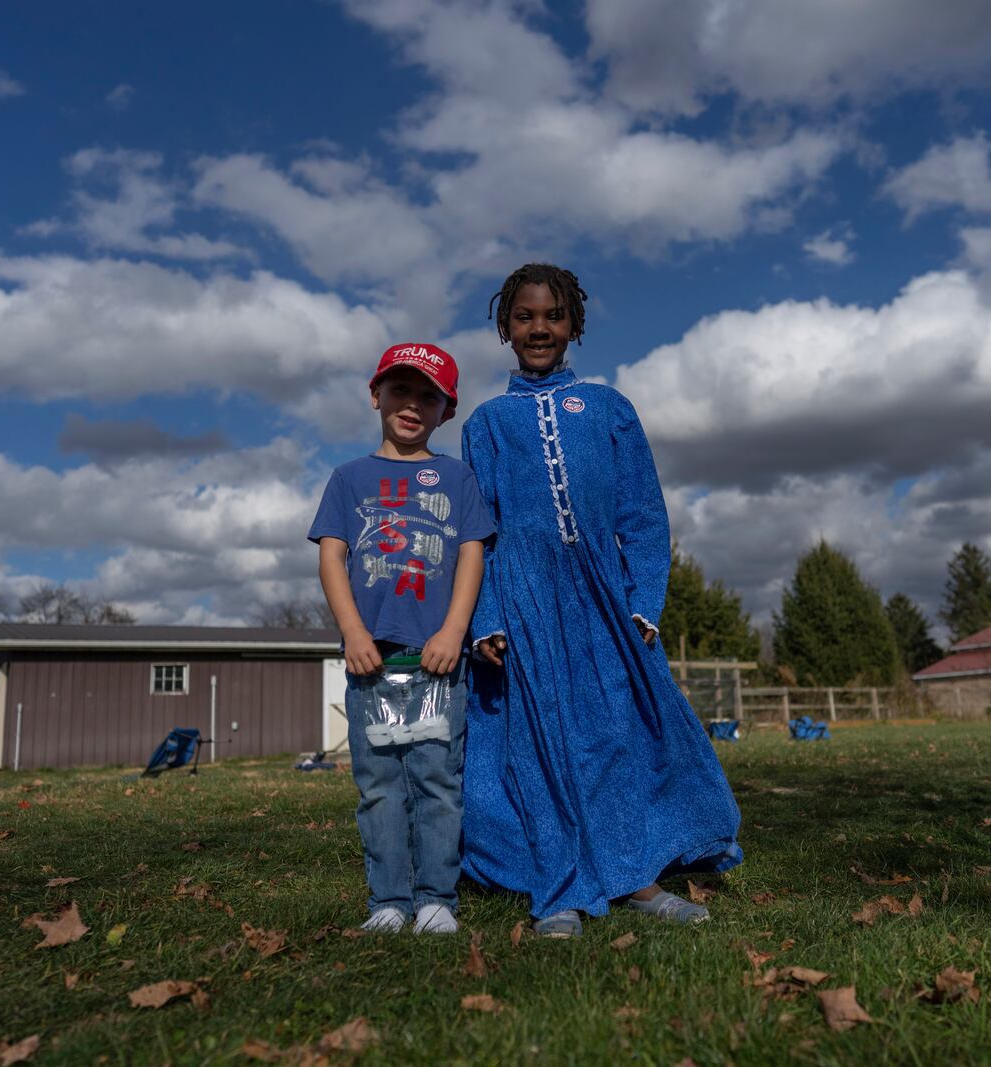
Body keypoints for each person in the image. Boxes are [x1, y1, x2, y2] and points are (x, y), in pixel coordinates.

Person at [460, 264, 743, 938]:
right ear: (505, 327)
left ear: (574, 326)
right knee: (538, 741)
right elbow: (479, 533)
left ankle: (637, 877)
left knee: (618, 733)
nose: (538, 328)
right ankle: (557, 888)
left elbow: (642, 513)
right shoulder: (487, 423)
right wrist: (486, 616)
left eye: (552, 316)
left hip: (605, 604)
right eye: (524, 317)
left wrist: (643, 599)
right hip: (524, 603)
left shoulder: (610, 408)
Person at [308, 342, 493, 935]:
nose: (412, 405)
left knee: (439, 782)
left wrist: (453, 630)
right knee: (380, 787)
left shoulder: (458, 479)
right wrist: (354, 631)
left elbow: (470, 557)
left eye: (428, 396)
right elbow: (333, 559)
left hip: (439, 662)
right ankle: (388, 902)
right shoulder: (348, 479)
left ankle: (437, 899)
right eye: (400, 391)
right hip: (371, 665)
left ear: (448, 410)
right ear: (375, 395)